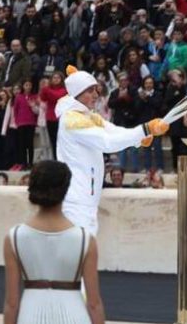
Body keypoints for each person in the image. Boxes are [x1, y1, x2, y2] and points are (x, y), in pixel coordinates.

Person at [55, 66, 169, 235]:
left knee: (83, 249)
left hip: (86, 196)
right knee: (77, 250)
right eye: (89, 91)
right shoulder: (72, 120)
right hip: (75, 197)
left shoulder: (87, 115)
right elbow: (107, 142)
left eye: (96, 90)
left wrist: (139, 138)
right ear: (76, 94)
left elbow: (112, 130)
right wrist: (144, 130)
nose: (95, 95)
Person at [3, 160, 105, 324]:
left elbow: (11, 303)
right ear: (66, 189)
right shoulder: (86, 239)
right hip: (74, 315)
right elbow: (94, 303)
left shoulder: (14, 237)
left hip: (31, 315)